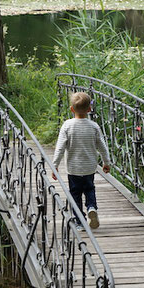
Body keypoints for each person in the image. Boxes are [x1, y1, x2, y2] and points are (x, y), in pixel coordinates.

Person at [51, 91, 111, 229]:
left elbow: (60, 148)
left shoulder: (67, 125)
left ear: (72, 109)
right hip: (90, 167)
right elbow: (102, 147)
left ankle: (80, 222)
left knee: (75, 194)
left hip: (74, 169)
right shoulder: (94, 126)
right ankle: (91, 207)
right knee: (90, 189)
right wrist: (106, 162)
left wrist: (55, 165)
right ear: (89, 109)